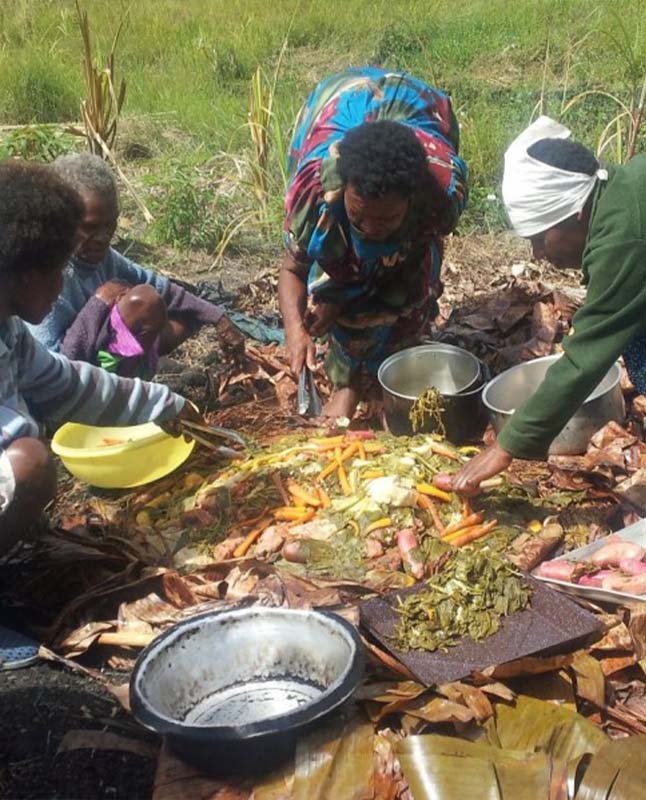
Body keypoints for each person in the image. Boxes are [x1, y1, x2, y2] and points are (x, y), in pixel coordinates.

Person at [0, 160, 198, 668]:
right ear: (23, 272)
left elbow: (72, 385)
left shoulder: (9, 331)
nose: (67, 280)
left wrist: (174, 409)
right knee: (26, 464)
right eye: (59, 268)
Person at [446, 115, 646, 496]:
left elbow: (585, 357)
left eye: (540, 238)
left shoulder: (624, 240)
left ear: (574, 212)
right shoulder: (618, 188)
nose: (537, 254)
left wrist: (507, 446)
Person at [278, 66, 468, 418]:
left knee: (414, 288)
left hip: (417, 108)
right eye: (358, 215)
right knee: (336, 275)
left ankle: (392, 373)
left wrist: (397, 291)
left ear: (411, 203)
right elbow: (293, 268)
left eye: (386, 219)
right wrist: (296, 331)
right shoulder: (315, 193)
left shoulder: (440, 194)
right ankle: (346, 384)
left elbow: (419, 255)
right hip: (340, 99)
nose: (371, 228)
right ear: (343, 190)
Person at [28, 153, 244, 378]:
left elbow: (160, 286)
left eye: (110, 223)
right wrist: (99, 305)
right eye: (90, 227)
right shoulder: (48, 276)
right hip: (66, 379)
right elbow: (49, 369)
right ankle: (118, 387)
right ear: (61, 221)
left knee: (186, 316)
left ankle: (132, 375)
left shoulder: (105, 258)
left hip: (99, 355)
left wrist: (218, 318)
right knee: (142, 302)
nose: (103, 237)